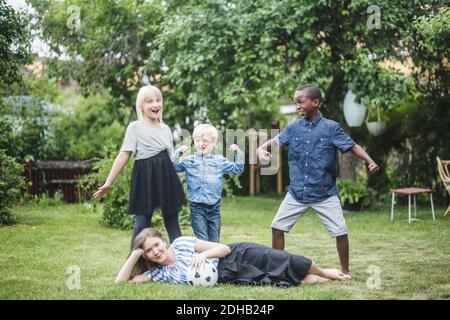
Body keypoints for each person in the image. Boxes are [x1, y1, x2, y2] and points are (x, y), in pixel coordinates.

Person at [257, 84, 379, 277]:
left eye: (300, 102)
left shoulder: (331, 128)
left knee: (340, 230)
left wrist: (370, 161)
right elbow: (276, 141)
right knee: (277, 227)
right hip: (297, 192)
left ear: (315, 102)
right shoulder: (293, 127)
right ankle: (278, 271)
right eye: (295, 102)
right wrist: (262, 147)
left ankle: (345, 271)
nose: (297, 106)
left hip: (324, 192)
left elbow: (352, 146)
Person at [93, 85, 186, 247]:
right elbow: (123, 155)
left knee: (173, 223)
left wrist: (178, 181)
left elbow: (170, 160)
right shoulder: (135, 127)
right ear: (141, 106)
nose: (155, 104)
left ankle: (181, 263)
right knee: (141, 225)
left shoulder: (166, 129)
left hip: (167, 178)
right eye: (150, 101)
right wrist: (109, 182)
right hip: (145, 179)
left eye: (158, 100)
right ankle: (133, 263)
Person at [115, 227, 350, 285]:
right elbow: (121, 282)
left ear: (163, 240)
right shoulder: (158, 273)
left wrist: (204, 255)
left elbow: (223, 248)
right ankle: (321, 279)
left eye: (156, 244)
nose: (155, 251)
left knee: (280, 259)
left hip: (236, 253)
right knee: (279, 281)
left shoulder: (181, 243)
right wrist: (135, 253)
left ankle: (325, 271)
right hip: (228, 275)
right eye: (149, 251)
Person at [174, 124, 244, 242]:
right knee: (203, 240)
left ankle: (214, 260)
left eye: (205, 140)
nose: (201, 143)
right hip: (196, 207)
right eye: (197, 140)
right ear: (194, 142)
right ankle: (203, 259)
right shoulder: (189, 161)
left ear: (214, 142)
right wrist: (178, 152)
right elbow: (172, 167)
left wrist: (238, 152)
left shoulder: (219, 161)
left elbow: (238, 169)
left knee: (214, 242)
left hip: (214, 208)